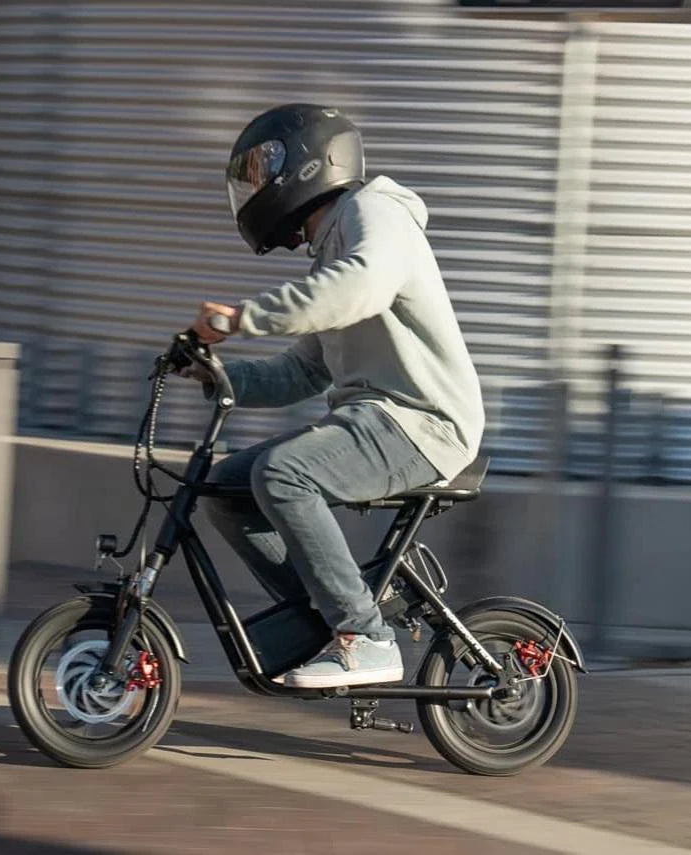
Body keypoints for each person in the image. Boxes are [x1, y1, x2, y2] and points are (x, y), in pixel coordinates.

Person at [186, 103, 485, 689]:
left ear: (306, 163)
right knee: (227, 487)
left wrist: (244, 317)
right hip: (380, 420)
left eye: (263, 168)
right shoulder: (332, 248)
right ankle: (326, 616)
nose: (255, 187)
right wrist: (218, 376)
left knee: (284, 473)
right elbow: (304, 372)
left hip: (423, 422)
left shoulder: (376, 212)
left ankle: (364, 635)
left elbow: (359, 286)